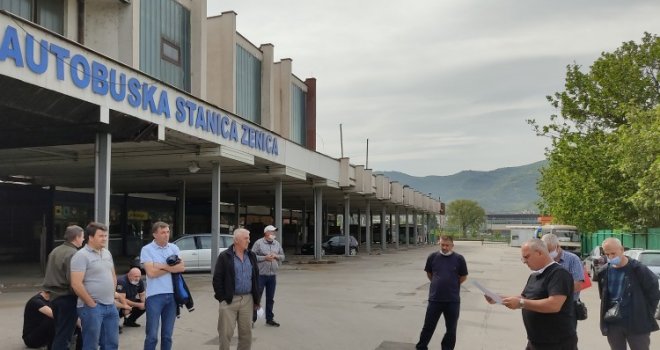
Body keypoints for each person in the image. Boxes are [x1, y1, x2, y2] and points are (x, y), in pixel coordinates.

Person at [488, 238, 577, 349]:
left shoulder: (559, 274)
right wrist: (498, 298)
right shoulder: (535, 275)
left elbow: (554, 305)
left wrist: (521, 303)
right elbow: (526, 297)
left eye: (526, 257)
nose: (524, 261)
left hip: (557, 343)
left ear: (539, 253)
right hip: (536, 342)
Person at [598, 238, 659, 350]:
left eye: (613, 253)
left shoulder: (638, 269)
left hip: (637, 323)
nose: (610, 257)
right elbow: (603, 296)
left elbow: (654, 292)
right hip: (613, 323)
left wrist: (646, 313)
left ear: (622, 250)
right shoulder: (604, 271)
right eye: (607, 254)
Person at [70, 222, 118, 350]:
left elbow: (112, 276)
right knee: (91, 345)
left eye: (106, 235)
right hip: (91, 307)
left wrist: (112, 297)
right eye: (101, 236)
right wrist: (91, 303)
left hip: (110, 306)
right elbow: (76, 283)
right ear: (90, 237)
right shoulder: (81, 256)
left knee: (111, 344)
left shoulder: (107, 253)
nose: (104, 238)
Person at [415, 235, 468, 350]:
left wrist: (452, 284)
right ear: (439, 244)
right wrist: (437, 283)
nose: (444, 247)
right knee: (428, 326)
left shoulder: (459, 259)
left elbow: (463, 276)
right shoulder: (432, 257)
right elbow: (430, 274)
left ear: (452, 246)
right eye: (442, 244)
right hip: (435, 299)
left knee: (451, 329)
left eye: (447, 245)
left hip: (452, 301)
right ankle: (421, 347)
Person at [213, 228, 261, 350]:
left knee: (246, 334)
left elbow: (255, 277)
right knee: (225, 334)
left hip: (248, 300)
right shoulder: (225, 256)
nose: (249, 241)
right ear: (236, 240)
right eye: (246, 238)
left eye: (249, 238)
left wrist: (256, 300)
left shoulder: (251, 255)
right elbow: (217, 279)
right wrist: (222, 298)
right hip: (229, 300)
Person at [140, 222, 185, 350]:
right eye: (163, 232)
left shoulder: (174, 248)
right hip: (154, 296)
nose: (166, 235)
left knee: (167, 336)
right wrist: (171, 267)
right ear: (155, 234)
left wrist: (162, 266)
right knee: (152, 336)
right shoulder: (147, 249)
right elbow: (151, 273)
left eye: (168, 232)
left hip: (172, 296)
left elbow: (182, 267)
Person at [43, 224, 85, 350]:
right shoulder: (73, 254)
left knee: (60, 331)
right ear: (77, 237)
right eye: (83, 237)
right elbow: (73, 281)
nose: (83, 239)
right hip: (67, 297)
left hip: (54, 297)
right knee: (65, 335)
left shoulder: (56, 250)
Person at [541, 233, 585, 329]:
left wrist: (556, 292)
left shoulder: (573, 259)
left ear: (557, 247)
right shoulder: (543, 260)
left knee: (566, 339)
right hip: (547, 305)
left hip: (568, 308)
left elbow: (578, 284)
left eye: (550, 251)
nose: (548, 254)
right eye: (545, 251)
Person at [251, 224, 285, 327]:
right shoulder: (258, 243)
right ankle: (252, 319)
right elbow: (252, 256)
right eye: (271, 232)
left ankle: (269, 319)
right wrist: (264, 258)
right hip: (260, 275)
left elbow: (283, 256)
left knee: (270, 298)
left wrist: (276, 256)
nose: (273, 233)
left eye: (274, 232)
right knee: (257, 298)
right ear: (266, 233)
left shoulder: (277, 244)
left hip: (272, 276)